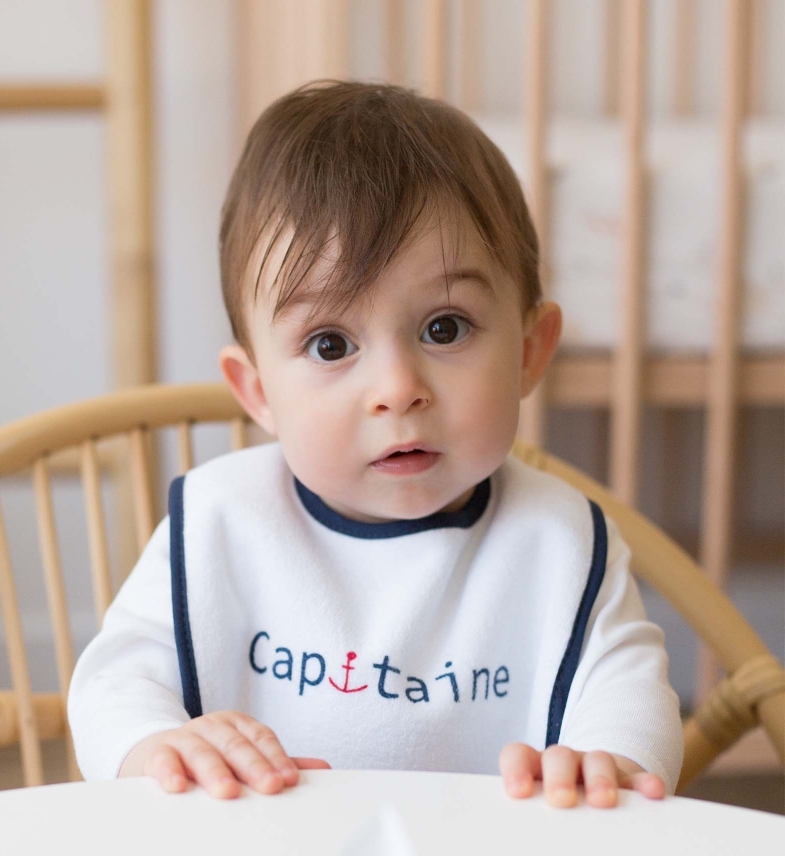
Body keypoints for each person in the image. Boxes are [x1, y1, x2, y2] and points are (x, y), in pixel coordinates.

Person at [68, 80, 683, 809]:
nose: (397, 388)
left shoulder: (557, 538)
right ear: (257, 391)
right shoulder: (221, 522)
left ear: (529, 351)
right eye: (331, 344)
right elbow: (113, 685)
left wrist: (608, 760)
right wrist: (157, 747)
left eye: (445, 328)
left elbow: (631, 691)